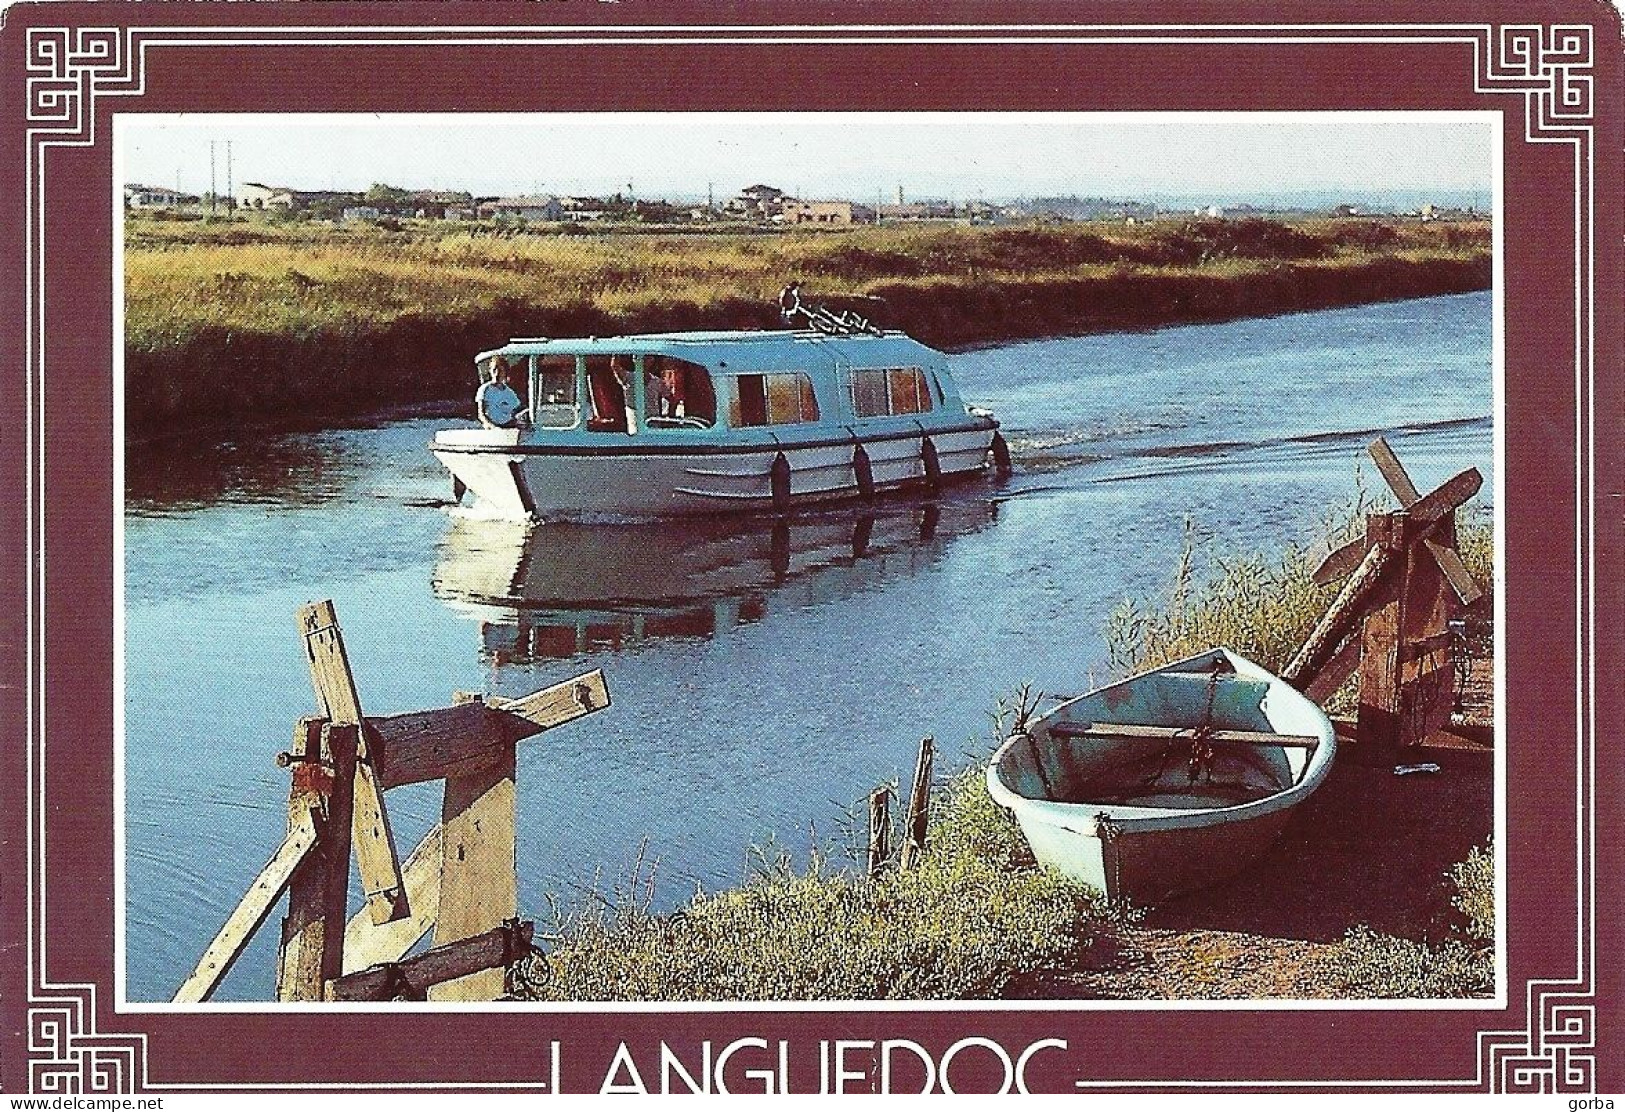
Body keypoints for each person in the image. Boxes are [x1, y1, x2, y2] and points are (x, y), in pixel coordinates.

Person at [476, 357, 526, 429]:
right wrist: (493, 427)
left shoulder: (510, 393)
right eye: (494, 370)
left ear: (505, 372)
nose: (497, 374)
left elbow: (517, 411)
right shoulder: (485, 390)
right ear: (490, 371)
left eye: (500, 370)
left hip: (508, 428)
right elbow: (481, 414)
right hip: (492, 429)